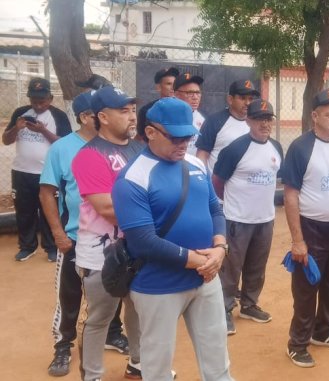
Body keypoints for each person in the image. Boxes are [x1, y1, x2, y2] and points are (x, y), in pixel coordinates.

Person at [113, 97, 233, 381]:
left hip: (205, 278)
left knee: (218, 361)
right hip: (159, 286)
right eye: (176, 137)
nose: (183, 144)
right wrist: (200, 261)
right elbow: (142, 240)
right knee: (157, 367)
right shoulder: (132, 178)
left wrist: (220, 248)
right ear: (150, 132)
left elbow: (215, 208)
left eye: (188, 136)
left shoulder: (196, 164)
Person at [40, 91, 128, 377]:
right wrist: (57, 233)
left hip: (117, 238)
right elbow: (47, 192)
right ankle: (63, 345)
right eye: (98, 113)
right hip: (76, 236)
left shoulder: (120, 148)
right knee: (69, 297)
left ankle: (113, 334)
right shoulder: (63, 148)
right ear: (87, 117)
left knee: (113, 289)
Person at [280, 89, 329, 368]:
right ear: (315, 116)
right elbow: (291, 195)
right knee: (306, 287)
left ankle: (323, 331)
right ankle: (297, 342)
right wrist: (298, 240)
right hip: (311, 229)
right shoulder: (301, 148)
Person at [70, 85, 144, 381]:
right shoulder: (89, 155)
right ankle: (92, 375)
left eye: (133, 110)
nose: (132, 117)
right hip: (101, 255)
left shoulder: (139, 149)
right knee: (100, 317)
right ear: (102, 116)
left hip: (138, 248)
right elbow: (106, 207)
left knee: (139, 311)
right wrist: (151, 206)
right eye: (123, 111)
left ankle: (138, 365)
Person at [213, 99, 283, 334]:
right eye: (259, 119)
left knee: (257, 265)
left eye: (268, 119)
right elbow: (217, 182)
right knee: (231, 268)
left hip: (265, 218)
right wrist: (232, 206)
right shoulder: (235, 149)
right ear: (249, 120)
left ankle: (249, 304)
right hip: (237, 219)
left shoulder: (276, 147)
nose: (265, 123)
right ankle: (224, 309)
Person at [4, 77, 71, 261]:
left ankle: (51, 247)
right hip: (21, 172)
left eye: (42, 101)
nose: (38, 105)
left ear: (50, 98)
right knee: (24, 211)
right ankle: (27, 246)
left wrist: (43, 131)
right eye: (34, 101)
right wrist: (16, 128)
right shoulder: (20, 113)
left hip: (48, 174)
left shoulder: (58, 116)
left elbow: (65, 143)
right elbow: (6, 140)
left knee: (50, 211)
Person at [196, 79, 260, 174]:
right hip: (216, 185)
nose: (247, 103)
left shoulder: (257, 123)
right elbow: (202, 155)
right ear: (230, 99)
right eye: (242, 98)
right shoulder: (214, 121)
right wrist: (204, 181)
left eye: (250, 99)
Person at [137, 67, 179, 140]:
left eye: (175, 84)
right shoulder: (146, 110)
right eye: (169, 84)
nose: (173, 87)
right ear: (158, 87)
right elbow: (141, 138)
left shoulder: (184, 108)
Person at [173, 72, 206, 155]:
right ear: (177, 95)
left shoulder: (203, 120)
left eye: (198, 93)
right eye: (190, 93)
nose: (195, 97)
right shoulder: (167, 117)